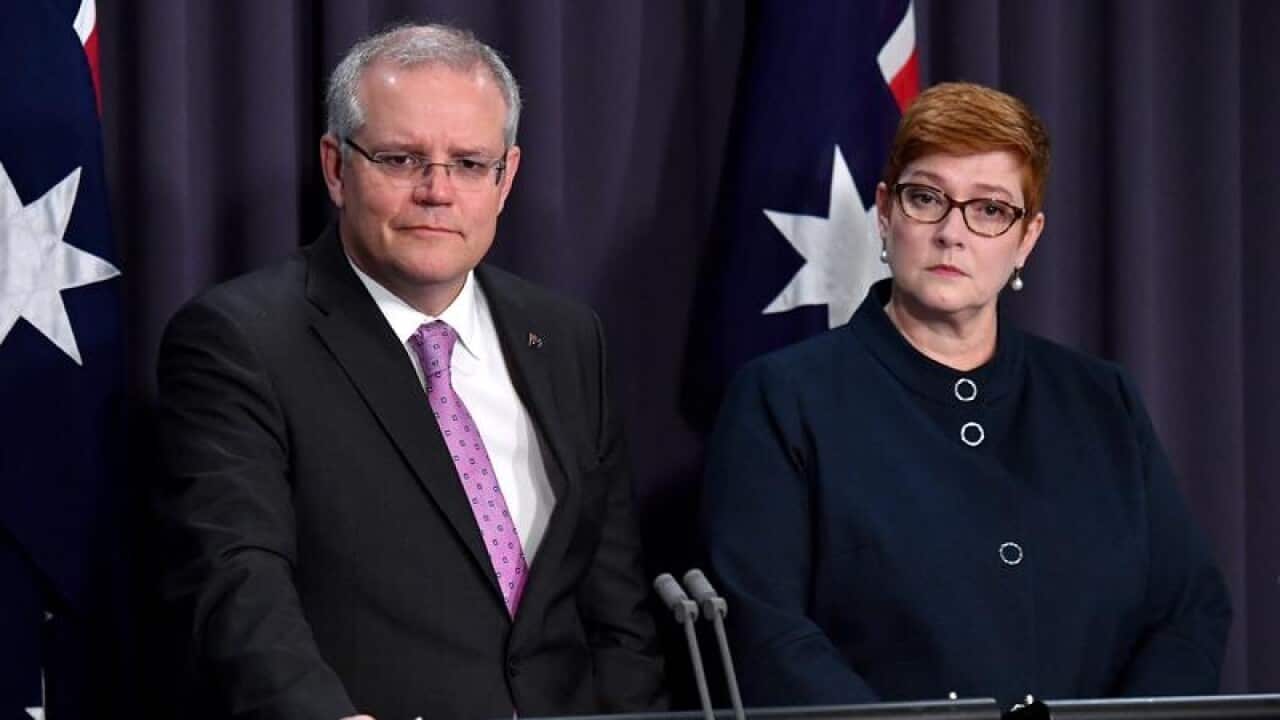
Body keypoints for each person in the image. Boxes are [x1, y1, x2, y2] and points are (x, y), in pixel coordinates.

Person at [153, 23, 665, 720]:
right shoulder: (241, 340)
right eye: (401, 159)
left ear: (506, 178)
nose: (437, 191)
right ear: (336, 168)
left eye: (470, 163)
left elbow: (617, 610)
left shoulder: (568, 336)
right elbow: (237, 580)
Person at [700, 82, 1231, 710]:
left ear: (1026, 238)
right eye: (927, 198)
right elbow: (767, 631)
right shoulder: (785, 399)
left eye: (990, 209)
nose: (953, 232)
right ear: (885, 212)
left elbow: (1188, 610)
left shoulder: (1101, 400)